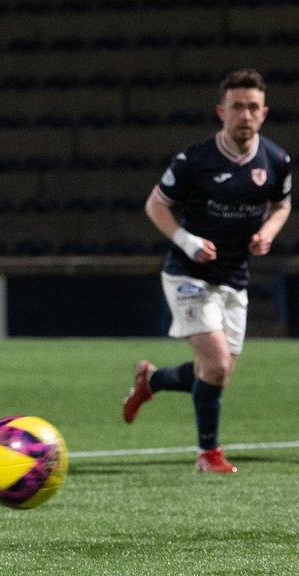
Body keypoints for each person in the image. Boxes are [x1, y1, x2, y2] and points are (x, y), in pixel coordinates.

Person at [124, 68, 291, 473]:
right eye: (237, 107)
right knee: (215, 366)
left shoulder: (276, 160)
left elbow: (281, 206)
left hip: (234, 277)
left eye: (253, 107)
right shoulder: (194, 160)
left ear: (264, 113)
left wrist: (266, 233)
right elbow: (155, 205)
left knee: (217, 373)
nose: (245, 116)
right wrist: (188, 241)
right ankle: (208, 454)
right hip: (187, 275)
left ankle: (153, 381)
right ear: (222, 111)